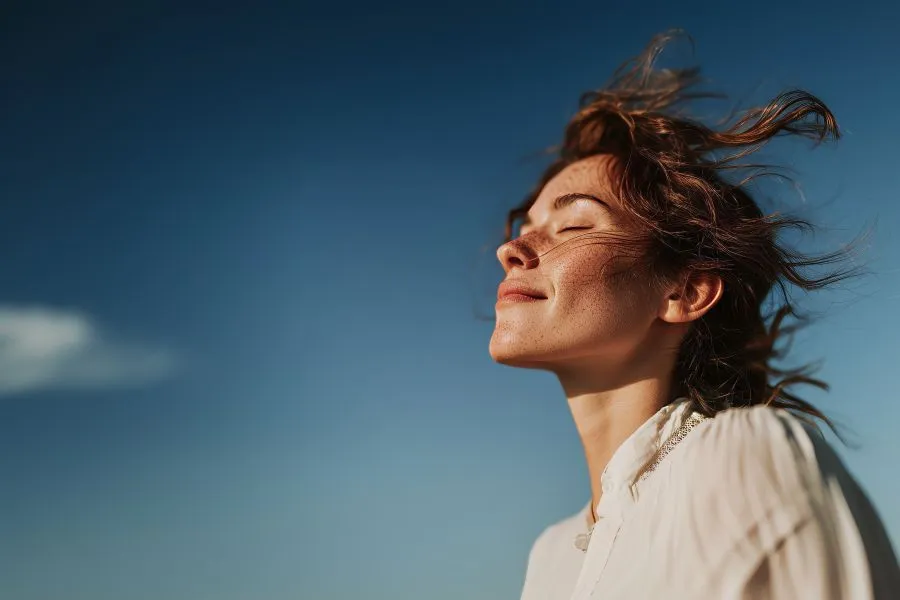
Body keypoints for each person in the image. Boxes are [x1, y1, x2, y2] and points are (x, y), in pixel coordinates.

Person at [489, 31, 900, 600]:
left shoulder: (746, 457)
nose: (511, 250)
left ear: (685, 291)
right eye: (523, 226)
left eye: (575, 225)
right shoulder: (551, 557)